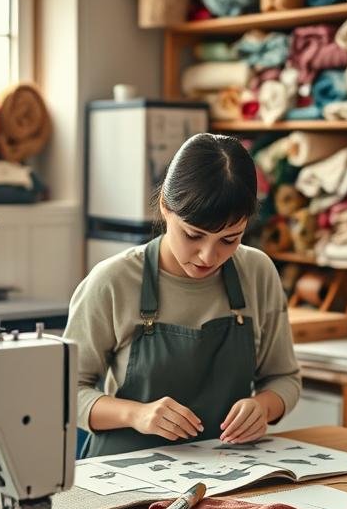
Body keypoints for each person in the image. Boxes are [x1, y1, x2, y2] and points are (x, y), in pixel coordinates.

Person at [65, 132, 301, 457]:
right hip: (123, 472)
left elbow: (285, 378)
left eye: (229, 240)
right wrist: (136, 414)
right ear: (165, 207)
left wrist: (264, 406)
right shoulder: (113, 281)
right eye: (193, 235)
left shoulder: (257, 272)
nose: (208, 256)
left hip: (225, 470)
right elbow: (64, 394)